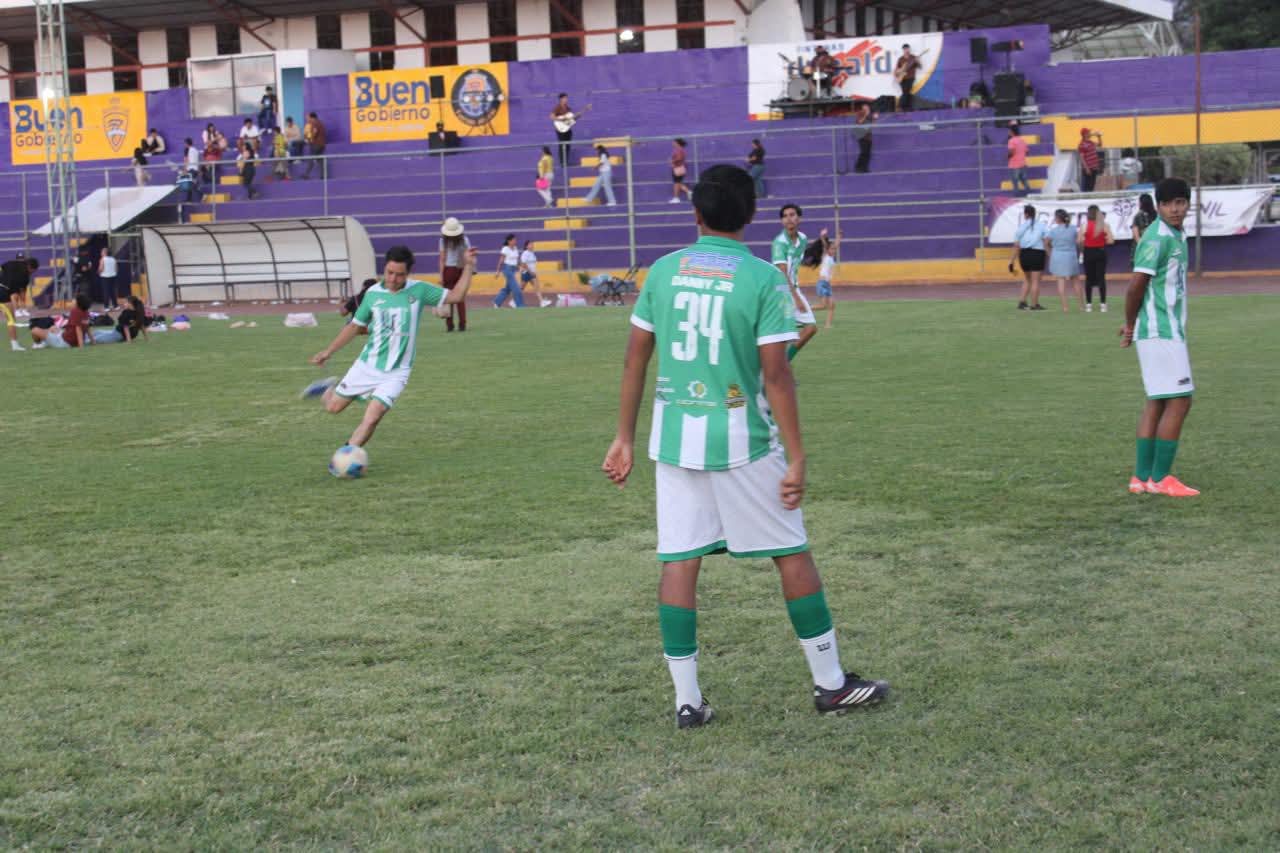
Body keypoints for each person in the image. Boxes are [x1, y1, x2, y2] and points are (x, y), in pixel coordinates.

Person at [601, 163, 889, 729]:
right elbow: (776, 375)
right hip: (743, 438)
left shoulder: (662, 272)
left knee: (680, 559)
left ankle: (688, 702)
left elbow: (636, 358)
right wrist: (798, 454)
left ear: (696, 214)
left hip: (674, 437)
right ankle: (831, 685)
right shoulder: (761, 278)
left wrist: (622, 437)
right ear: (753, 215)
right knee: (790, 550)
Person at [306, 245, 477, 448]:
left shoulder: (420, 290)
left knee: (372, 418)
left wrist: (468, 266)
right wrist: (328, 351)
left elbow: (456, 296)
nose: (393, 279)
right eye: (389, 273)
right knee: (334, 408)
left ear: (408, 273)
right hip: (367, 365)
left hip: (397, 372)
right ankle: (327, 389)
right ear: (384, 269)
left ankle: (346, 454)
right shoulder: (372, 294)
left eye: (399, 275)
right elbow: (354, 327)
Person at [1120, 178, 1198, 498]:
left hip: (1159, 329)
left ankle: (1141, 477)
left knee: (1157, 400)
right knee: (1180, 400)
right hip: (1162, 332)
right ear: (1159, 206)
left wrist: (1133, 324)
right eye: (1169, 204)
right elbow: (1136, 285)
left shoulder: (1175, 234)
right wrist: (1129, 324)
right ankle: (1161, 478)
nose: (1176, 209)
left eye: (1181, 202)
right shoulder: (1156, 238)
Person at [771, 204, 818, 358]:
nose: (788, 219)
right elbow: (782, 274)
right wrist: (796, 298)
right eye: (784, 216)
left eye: (792, 215)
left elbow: (799, 260)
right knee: (782, 335)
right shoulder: (780, 243)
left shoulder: (803, 239)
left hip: (793, 288)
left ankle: (782, 364)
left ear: (799, 218)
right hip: (781, 291)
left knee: (810, 328)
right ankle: (777, 370)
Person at [1008, 204, 1047, 310]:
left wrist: (1011, 261)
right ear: (1035, 214)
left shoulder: (1021, 227)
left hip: (1024, 254)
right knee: (1035, 281)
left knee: (1027, 278)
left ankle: (1022, 301)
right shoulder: (1041, 225)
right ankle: (1034, 304)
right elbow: (1046, 240)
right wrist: (1048, 254)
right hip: (1037, 253)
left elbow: (1016, 245)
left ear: (1025, 215)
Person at [1079, 203, 1114, 312]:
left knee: (1088, 278)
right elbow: (1111, 240)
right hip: (1100, 252)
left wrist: (1085, 246)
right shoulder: (1104, 225)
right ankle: (1103, 304)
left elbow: (1079, 240)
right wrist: (1103, 240)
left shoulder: (1084, 225)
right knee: (1101, 278)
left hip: (1088, 252)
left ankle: (1089, 304)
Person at [1045, 209, 1082, 312]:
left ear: (1057, 219)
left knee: (1061, 282)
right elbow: (1079, 242)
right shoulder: (1073, 229)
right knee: (1076, 281)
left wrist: (1050, 254)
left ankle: (1065, 307)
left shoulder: (1053, 231)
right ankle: (1081, 306)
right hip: (1071, 256)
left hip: (1058, 257)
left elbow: (1046, 243)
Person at [438, 217, 471, 331]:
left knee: (448, 298)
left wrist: (441, 276)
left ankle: (450, 325)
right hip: (460, 270)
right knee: (460, 298)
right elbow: (468, 257)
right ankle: (462, 324)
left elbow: (442, 259)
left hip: (448, 270)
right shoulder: (465, 240)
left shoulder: (443, 241)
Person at [1, 256, 38, 351]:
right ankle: (15, 345)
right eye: (33, 271)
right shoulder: (25, 276)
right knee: (11, 320)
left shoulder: (10, 262)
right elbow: (18, 293)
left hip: (3, 288)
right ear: (30, 267)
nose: (32, 273)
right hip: (2, 292)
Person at [492, 233, 523, 308]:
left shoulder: (515, 248)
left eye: (515, 239)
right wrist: (498, 271)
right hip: (507, 269)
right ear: (509, 241)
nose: (515, 241)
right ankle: (520, 305)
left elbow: (517, 260)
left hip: (513, 269)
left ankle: (496, 302)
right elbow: (501, 261)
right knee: (516, 287)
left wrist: (520, 267)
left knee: (508, 289)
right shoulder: (505, 249)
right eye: (514, 240)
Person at [519, 240, 550, 307]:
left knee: (536, 287)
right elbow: (523, 264)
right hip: (526, 273)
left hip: (532, 273)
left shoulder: (532, 253)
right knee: (521, 288)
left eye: (532, 244)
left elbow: (532, 264)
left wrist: (534, 272)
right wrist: (530, 272)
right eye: (530, 244)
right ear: (526, 246)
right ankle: (514, 301)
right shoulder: (525, 253)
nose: (532, 245)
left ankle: (542, 302)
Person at [1130, 192, 1157, 263]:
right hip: (1156, 244)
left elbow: (1136, 235)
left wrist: (1142, 246)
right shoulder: (1157, 215)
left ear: (1141, 203)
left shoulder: (1138, 216)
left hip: (1143, 245)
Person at [550, 93, 575, 169]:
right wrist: (561, 119)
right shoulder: (557, 107)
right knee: (561, 146)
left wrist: (575, 118)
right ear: (561, 99)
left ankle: (565, 161)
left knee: (567, 146)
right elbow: (552, 117)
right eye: (564, 98)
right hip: (560, 130)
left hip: (567, 129)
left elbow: (570, 120)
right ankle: (562, 162)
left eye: (566, 98)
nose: (566, 100)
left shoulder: (568, 108)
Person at [895, 45, 921, 111]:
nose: (906, 50)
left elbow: (920, 67)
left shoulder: (913, 57)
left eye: (907, 49)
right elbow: (896, 70)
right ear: (903, 50)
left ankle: (899, 106)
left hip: (910, 77)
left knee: (906, 91)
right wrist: (900, 71)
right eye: (905, 49)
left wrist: (918, 61)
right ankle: (907, 108)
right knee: (906, 92)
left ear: (909, 49)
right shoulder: (900, 59)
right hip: (902, 78)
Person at [1007, 125, 1030, 195]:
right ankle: (1029, 194)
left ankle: (1017, 198)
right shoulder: (1022, 140)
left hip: (1014, 165)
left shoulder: (1011, 141)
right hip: (1022, 164)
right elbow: (1027, 152)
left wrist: (1007, 157)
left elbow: (1011, 151)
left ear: (1012, 132)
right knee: (1024, 181)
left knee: (1015, 183)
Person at [1078, 128, 1103, 193]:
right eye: (1088, 132)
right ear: (1085, 134)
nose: (1090, 133)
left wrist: (1099, 137)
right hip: (1088, 168)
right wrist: (1086, 168)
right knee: (1087, 186)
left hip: (1094, 167)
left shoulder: (1091, 142)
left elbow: (1100, 145)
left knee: (1092, 185)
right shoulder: (1082, 144)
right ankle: (1086, 199)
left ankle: (1090, 198)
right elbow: (1082, 158)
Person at [852, 102, 874, 173]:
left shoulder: (870, 115)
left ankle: (864, 168)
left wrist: (874, 118)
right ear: (863, 107)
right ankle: (858, 167)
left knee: (868, 153)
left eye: (868, 107)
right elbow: (860, 122)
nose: (867, 109)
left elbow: (871, 124)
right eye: (866, 107)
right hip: (862, 136)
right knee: (863, 152)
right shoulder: (860, 113)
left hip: (868, 136)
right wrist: (866, 115)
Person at [303, 112, 327, 178]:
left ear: (312, 117)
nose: (308, 119)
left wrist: (309, 139)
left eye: (308, 117)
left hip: (316, 144)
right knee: (320, 160)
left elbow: (314, 132)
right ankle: (323, 175)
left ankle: (306, 174)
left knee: (311, 158)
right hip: (322, 144)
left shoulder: (315, 123)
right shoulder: (320, 122)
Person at [669, 138, 692, 203]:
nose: (673, 143)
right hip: (680, 168)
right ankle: (689, 192)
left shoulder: (679, 150)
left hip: (678, 168)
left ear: (677, 143)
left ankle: (676, 198)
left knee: (676, 183)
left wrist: (672, 161)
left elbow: (679, 158)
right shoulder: (680, 149)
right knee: (678, 183)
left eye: (674, 142)